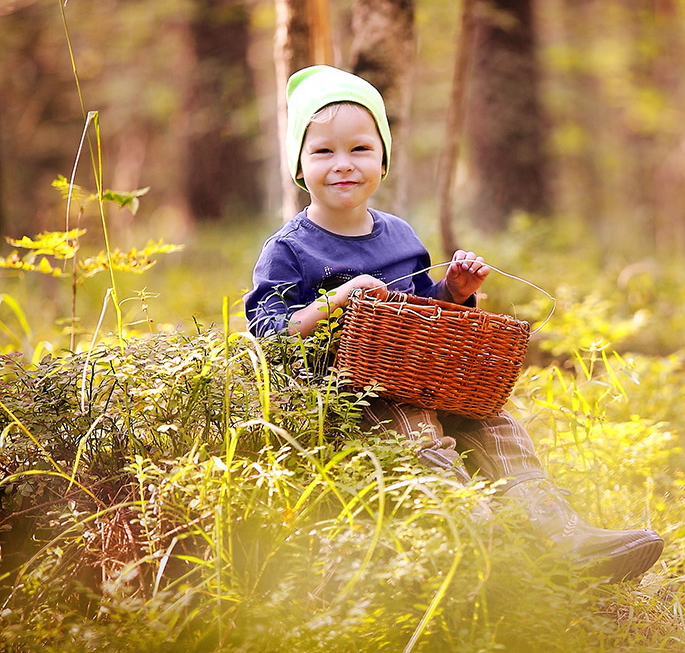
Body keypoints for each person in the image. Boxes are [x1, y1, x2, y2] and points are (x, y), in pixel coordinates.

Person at [244, 65, 663, 582]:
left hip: (427, 376)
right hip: (354, 394)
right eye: (323, 151)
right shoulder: (290, 249)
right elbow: (267, 334)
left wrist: (456, 295)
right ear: (299, 166)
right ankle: (489, 550)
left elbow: (425, 312)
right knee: (418, 433)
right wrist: (339, 299)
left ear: (383, 158)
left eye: (360, 149)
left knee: (498, 422)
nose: (343, 164)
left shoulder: (399, 236)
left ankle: (564, 539)